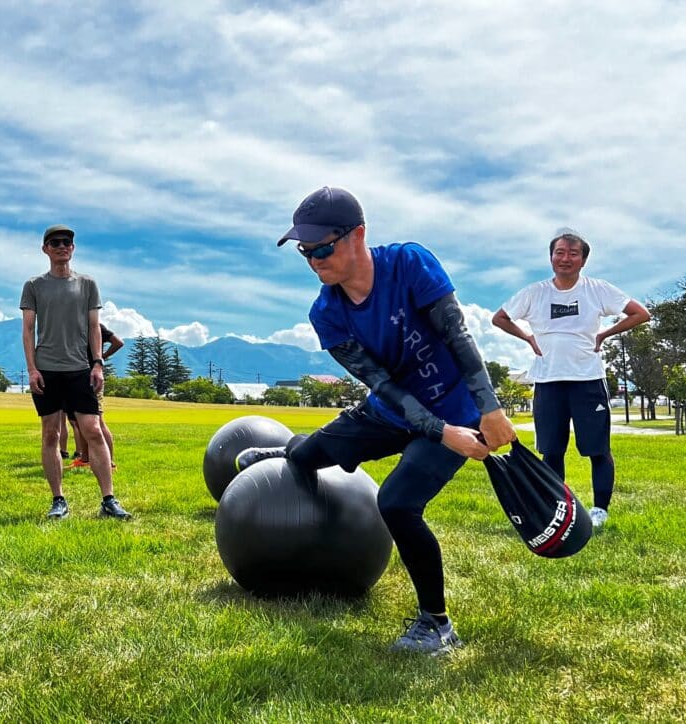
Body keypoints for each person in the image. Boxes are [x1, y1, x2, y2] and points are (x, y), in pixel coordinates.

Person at [235, 186, 515, 655]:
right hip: (391, 410)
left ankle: (437, 624)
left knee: (399, 503)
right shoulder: (325, 312)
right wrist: (437, 432)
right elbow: (382, 385)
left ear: (357, 235)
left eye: (323, 247)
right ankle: (285, 448)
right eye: (305, 252)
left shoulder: (409, 263)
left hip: (458, 409)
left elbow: (457, 335)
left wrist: (489, 407)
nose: (314, 261)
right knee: (303, 456)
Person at [491, 229, 650, 531]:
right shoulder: (535, 292)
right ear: (551, 257)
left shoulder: (598, 289)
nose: (565, 258)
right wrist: (527, 338)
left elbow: (640, 313)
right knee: (552, 450)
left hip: (587, 380)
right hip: (548, 381)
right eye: (559, 252)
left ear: (583, 260)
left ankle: (600, 511)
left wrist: (604, 333)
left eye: (572, 253)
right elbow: (499, 318)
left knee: (597, 449)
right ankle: (556, 507)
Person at [20, 225, 131, 520]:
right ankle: (58, 500)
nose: (61, 246)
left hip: (80, 369)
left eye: (66, 242)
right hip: (47, 369)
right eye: (54, 242)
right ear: (45, 249)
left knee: (93, 430)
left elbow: (95, 327)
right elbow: (28, 330)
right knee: (50, 434)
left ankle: (109, 499)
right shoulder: (34, 286)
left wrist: (97, 363)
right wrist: (32, 369)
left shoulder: (87, 284)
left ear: (73, 248)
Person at [68, 322, 123, 469]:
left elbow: (118, 342)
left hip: (91, 376)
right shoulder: (87, 325)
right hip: (77, 375)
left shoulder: (93, 325)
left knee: (97, 420)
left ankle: (109, 463)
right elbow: (117, 342)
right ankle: (85, 459)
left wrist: (100, 359)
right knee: (80, 421)